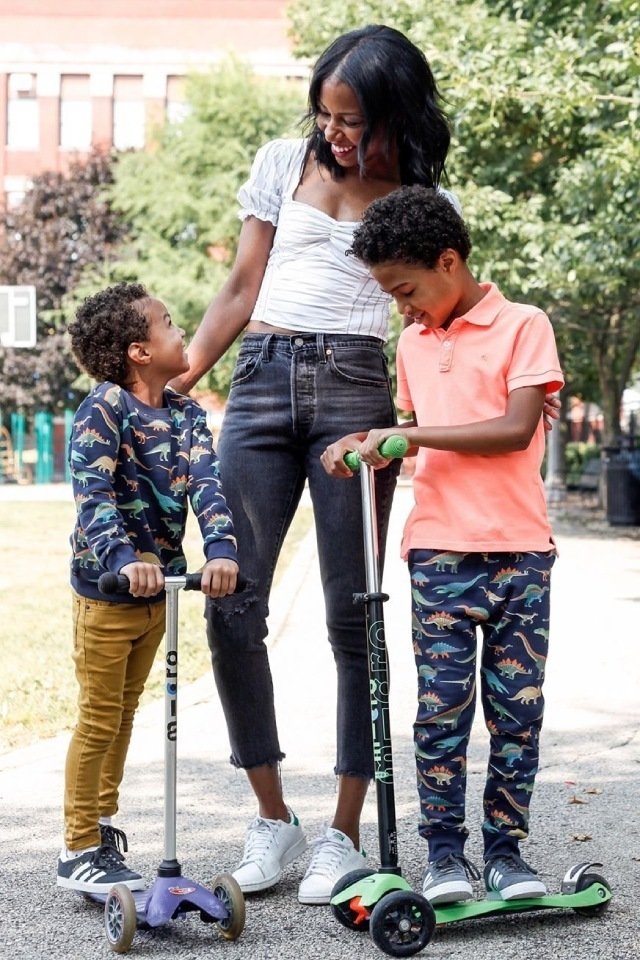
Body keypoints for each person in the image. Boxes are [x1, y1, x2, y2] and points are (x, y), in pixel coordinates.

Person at [167, 24, 454, 905]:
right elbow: (239, 287)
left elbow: (431, 310)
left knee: (352, 614)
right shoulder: (282, 163)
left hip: (355, 393)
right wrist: (178, 383)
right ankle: (272, 817)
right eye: (325, 114)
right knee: (230, 598)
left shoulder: (417, 191)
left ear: (394, 114)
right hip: (257, 385)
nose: (334, 132)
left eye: (351, 119)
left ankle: (342, 833)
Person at [321, 185, 564, 905]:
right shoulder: (413, 346)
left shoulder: (524, 325)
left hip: (520, 552)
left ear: (449, 262)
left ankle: (506, 854)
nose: (402, 309)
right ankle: (445, 855)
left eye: (406, 290)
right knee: (440, 713)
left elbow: (513, 430)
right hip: (439, 554)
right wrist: (367, 446)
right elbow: (421, 441)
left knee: (516, 715)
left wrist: (408, 435)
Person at [57, 282, 238, 894]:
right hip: (109, 591)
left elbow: (208, 486)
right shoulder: (105, 408)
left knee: (126, 712)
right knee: (99, 717)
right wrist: (122, 557)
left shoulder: (186, 414)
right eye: (168, 322)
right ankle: (78, 845)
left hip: (160, 590)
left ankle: (102, 825)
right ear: (139, 351)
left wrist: (221, 550)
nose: (182, 330)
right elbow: (93, 496)